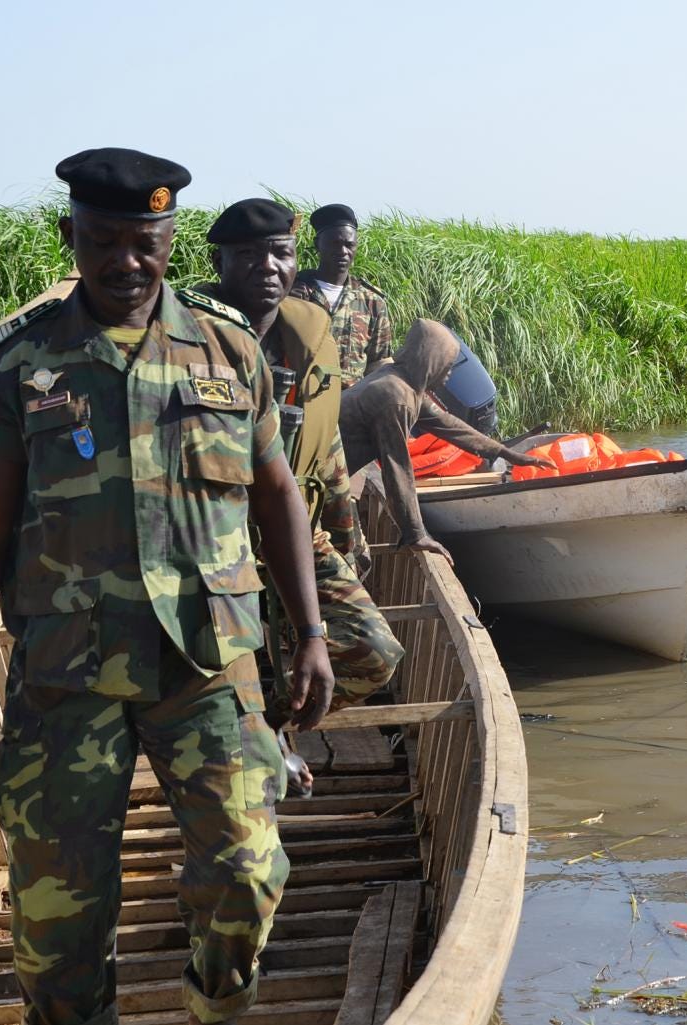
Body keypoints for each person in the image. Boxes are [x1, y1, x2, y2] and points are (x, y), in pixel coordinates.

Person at [0, 148, 334, 1025]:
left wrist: (309, 634)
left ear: (169, 237)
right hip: (65, 674)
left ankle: (212, 1012)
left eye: (143, 242)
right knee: (55, 924)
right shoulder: (23, 364)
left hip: (206, 662)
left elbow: (277, 500)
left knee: (246, 876)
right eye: (102, 241)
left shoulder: (230, 351)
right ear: (71, 236)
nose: (124, 261)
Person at [200, 198, 403, 733]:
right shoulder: (188, 338)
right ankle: (232, 733)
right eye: (246, 255)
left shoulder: (309, 335)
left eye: (278, 254)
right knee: (214, 665)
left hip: (298, 530)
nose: (266, 267)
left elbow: (326, 446)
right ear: (219, 263)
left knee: (373, 650)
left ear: (294, 259)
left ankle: (265, 729)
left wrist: (346, 538)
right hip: (211, 538)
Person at [340, 319, 553, 564]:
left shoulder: (400, 381)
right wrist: (416, 533)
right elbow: (397, 468)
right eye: (447, 365)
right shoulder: (396, 398)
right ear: (430, 361)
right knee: (354, 561)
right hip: (321, 475)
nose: (450, 373)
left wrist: (505, 452)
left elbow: (449, 425)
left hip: (332, 472)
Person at [292, 203, 391, 388]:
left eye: (349, 245)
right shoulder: (293, 291)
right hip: (299, 399)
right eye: (335, 244)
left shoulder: (372, 302)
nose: (343, 251)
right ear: (317, 244)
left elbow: (379, 364)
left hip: (350, 406)